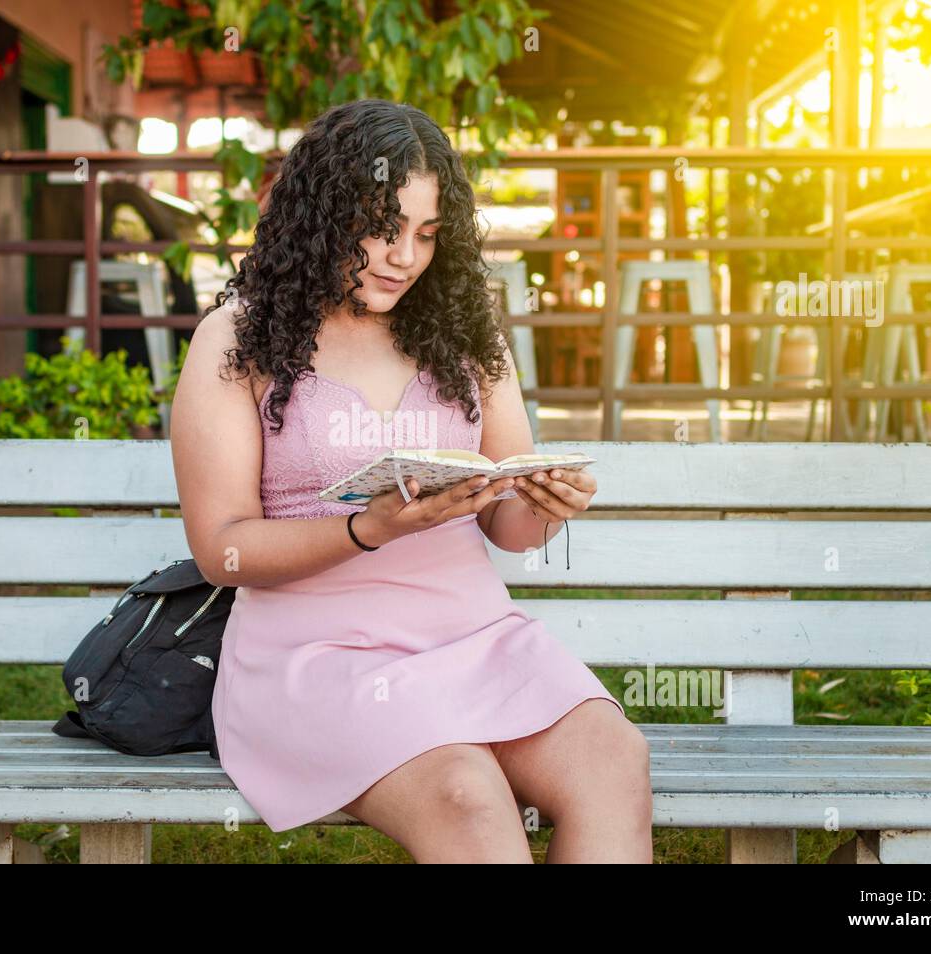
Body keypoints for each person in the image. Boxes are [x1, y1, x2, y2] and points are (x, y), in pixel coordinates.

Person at [172, 99, 652, 863]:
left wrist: (545, 505)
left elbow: (508, 527)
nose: (404, 257)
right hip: (317, 656)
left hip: (473, 639)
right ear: (322, 216)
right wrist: (369, 530)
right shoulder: (238, 338)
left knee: (613, 760)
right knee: (466, 794)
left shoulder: (464, 331)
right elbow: (220, 550)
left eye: (426, 235)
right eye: (382, 228)